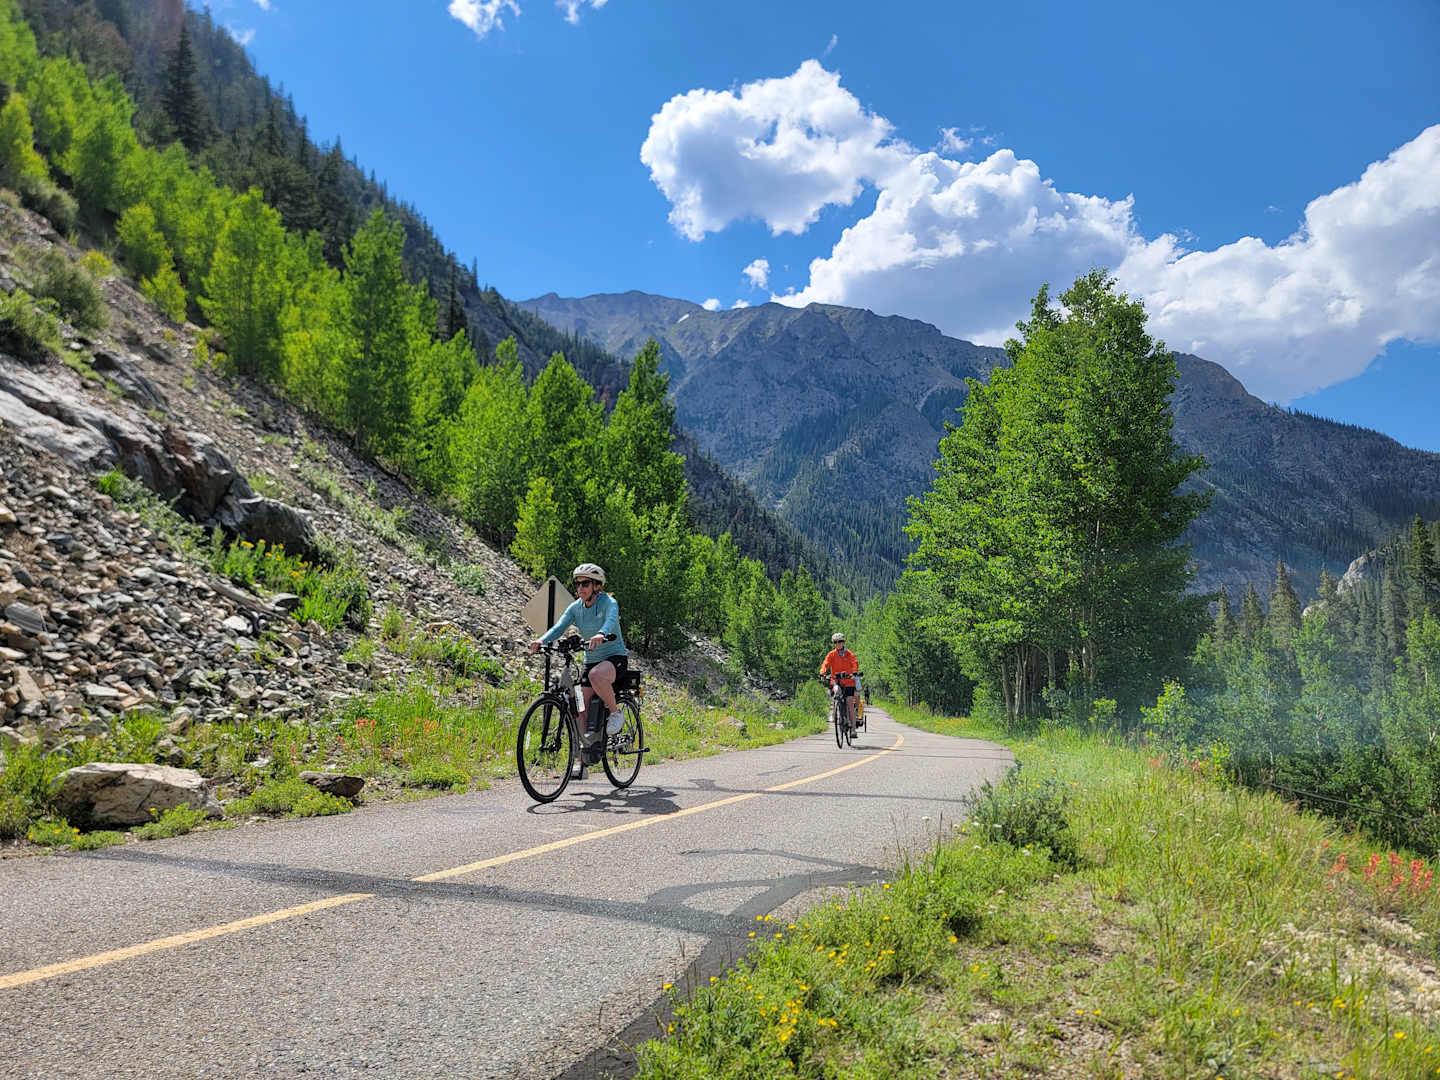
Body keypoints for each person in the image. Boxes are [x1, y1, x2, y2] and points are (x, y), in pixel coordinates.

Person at [528, 563, 629, 745]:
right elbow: (559, 627)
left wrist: (601, 634)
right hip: (591, 661)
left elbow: (611, 620)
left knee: (596, 675)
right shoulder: (576, 607)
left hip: (614, 659)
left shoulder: (609, 603)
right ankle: (582, 762)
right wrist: (541, 641)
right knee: (580, 708)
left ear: (597, 586)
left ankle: (615, 713)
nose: (580, 588)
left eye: (585, 584)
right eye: (578, 584)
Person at [819, 632, 860, 738]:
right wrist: (823, 672)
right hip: (836, 681)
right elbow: (825, 663)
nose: (838, 644)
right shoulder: (831, 654)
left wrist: (854, 672)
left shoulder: (849, 654)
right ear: (834, 643)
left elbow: (854, 663)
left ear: (844, 642)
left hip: (849, 681)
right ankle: (836, 708)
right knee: (836, 690)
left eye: (840, 641)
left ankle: (853, 730)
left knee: (850, 703)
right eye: (835, 642)